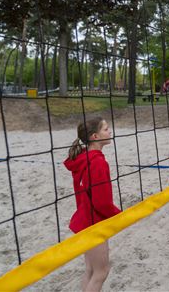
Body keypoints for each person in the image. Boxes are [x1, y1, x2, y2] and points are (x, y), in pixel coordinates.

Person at [64, 118, 121, 292]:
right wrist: (121, 216)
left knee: (91, 270)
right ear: (95, 136)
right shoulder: (97, 162)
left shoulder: (82, 158)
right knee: (101, 272)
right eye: (106, 129)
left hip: (84, 220)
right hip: (93, 224)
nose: (109, 131)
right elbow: (102, 203)